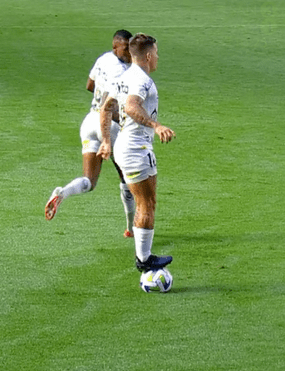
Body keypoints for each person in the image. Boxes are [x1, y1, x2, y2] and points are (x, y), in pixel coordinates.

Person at [45, 30, 136, 239]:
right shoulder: (122, 72)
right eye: (126, 48)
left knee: (89, 181)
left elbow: (89, 85)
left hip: (89, 121)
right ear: (116, 46)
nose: (130, 53)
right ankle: (130, 228)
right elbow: (109, 104)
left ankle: (62, 192)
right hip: (108, 124)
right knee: (126, 177)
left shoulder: (103, 58)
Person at [98, 33, 175, 272]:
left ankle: (144, 256)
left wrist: (107, 142)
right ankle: (144, 259)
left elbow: (105, 108)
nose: (158, 58)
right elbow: (131, 105)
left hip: (123, 146)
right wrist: (156, 125)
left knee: (145, 202)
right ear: (149, 56)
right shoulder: (142, 80)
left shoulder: (123, 76)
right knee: (147, 204)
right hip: (136, 149)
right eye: (157, 53)